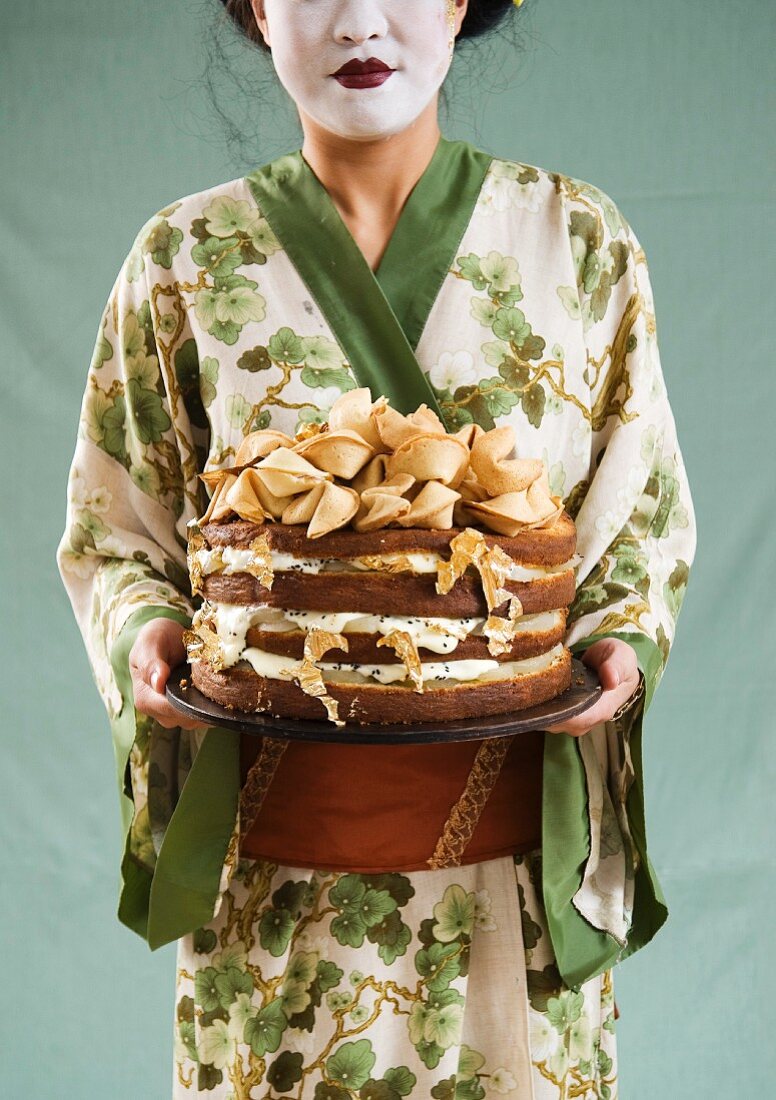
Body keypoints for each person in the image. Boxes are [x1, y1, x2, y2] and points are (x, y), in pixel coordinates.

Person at [56, 0, 696, 1094]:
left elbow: (635, 512)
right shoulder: (182, 258)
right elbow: (116, 523)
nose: (361, 20)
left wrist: (620, 639)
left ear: (456, 4)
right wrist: (148, 634)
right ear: (259, 10)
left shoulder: (574, 238)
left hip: (512, 878)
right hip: (273, 876)